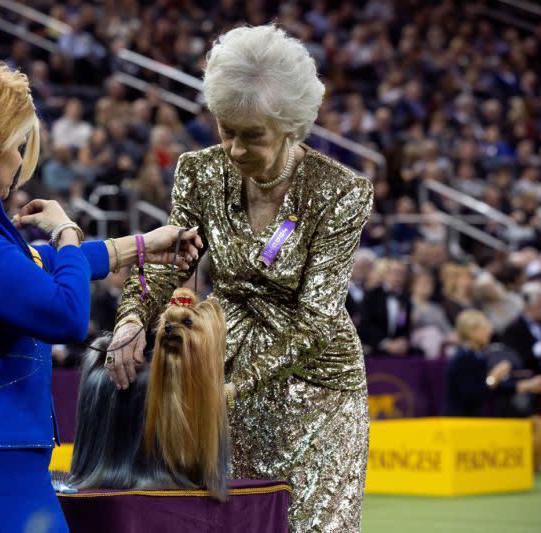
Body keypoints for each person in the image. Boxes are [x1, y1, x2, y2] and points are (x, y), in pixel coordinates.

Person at [0, 55, 201, 532]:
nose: (22, 160)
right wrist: (67, 230)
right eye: (17, 146)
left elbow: (43, 268)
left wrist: (141, 246)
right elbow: (65, 314)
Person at [107, 25, 373, 531]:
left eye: (253, 136)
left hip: (318, 392)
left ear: (292, 126)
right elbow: (171, 263)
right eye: (225, 130)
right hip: (221, 374)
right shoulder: (198, 172)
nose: (233, 148)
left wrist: (223, 391)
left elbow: (315, 319)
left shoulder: (342, 192)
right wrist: (132, 319)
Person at [445, 310, 541, 417]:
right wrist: (494, 377)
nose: (490, 332)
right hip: (461, 423)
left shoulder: (477, 356)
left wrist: (527, 385)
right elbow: (473, 394)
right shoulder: (464, 359)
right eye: (485, 328)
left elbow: (494, 387)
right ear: (471, 332)